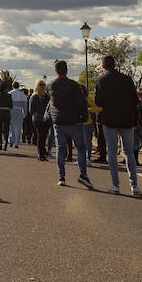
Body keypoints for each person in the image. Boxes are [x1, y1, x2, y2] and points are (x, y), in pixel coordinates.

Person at [94, 55, 142, 196]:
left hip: (109, 120)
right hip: (127, 120)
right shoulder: (127, 79)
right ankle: (134, 185)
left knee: (112, 153)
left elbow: (98, 102)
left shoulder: (102, 80)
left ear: (103, 66)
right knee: (128, 153)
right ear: (115, 64)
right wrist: (134, 120)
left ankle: (115, 185)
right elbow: (135, 100)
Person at [48, 60, 94, 189]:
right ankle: (83, 175)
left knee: (60, 149)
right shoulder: (74, 85)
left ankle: (61, 177)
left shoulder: (51, 85)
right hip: (74, 121)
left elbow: (51, 104)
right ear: (66, 70)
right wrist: (83, 117)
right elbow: (81, 103)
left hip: (58, 122)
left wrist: (53, 118)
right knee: (80, 148)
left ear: (55, 71)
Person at [29, 80, 51, 161]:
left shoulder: (46, 96)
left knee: (44, 137)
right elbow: (31, 110)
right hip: (38, 119)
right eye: (40, 84)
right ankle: (40, 154)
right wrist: (37, 114)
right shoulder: (34, 96)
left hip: (46, 119)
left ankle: (43, 153)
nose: (42, 86)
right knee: (40, 136)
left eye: (43, 84)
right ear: (37, 85)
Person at [0, 85, 14, 151]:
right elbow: (11, 106)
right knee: (6, 130)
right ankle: (5, 145)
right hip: (6, 113)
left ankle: (0, 144)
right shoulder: (9, 96)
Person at [8, 82, 27, 148]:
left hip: (10, 111)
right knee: (18, 127)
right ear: (18, 86)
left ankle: (10, 140)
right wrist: (25, 114)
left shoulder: (9, 93)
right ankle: (16, 143)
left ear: (12, 86)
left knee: (11, 127)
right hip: (19, 111)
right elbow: (25, 106)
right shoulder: (22, 95)